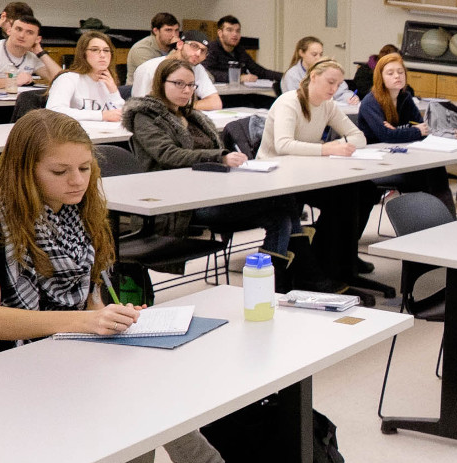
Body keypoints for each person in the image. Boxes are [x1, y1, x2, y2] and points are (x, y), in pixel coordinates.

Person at [0, 109, 303, 463]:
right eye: (60, 172)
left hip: (59, 356)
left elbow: (85, 296)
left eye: (85, 169)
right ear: (23, 170)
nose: (77, 182)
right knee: (135, 406)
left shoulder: (74, 215)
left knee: (142, 388)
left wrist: (110, 315)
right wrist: (84, 321)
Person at [123, 57, 300, 277]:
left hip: (213, 191)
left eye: (191, 85)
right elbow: (168, 155)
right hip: (180, 203)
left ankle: (277, 284)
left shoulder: (194, 117)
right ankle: (301, 276)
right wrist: (220, 157)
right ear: (160, 83)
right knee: (281, 202)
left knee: (282, 213)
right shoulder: (146, 117)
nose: (187, 90)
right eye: (179, 84)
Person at [260, 58, 379, 291]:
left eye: (338, 85)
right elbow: (283, 145)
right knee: (342, 199)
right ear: (313, 77)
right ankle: (314, 269)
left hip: (308, 174)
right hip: (276, 176)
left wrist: (342, 144)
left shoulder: (328, 105)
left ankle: (337, 264)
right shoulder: (289, 102)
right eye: (330, 82)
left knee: (361, 192)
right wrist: (328, 149)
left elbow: (359, 137)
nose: (334, 89)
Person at [357, 51, 453, 211]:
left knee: (436, 169)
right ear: (380, 77)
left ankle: (447, 222)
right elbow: (386, 135)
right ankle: (429, 219)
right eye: (390, 73)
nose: (397, 76)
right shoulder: (370, 102)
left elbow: (423, 129)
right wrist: (410, 131)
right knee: (427, 176)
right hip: (377, 163)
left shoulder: (405, 98)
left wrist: (399, 133)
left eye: (400, 72)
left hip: (403, 156)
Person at [0, 13, 61, 89]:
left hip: (12, 105)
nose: (22, 35)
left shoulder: (32, 57)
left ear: (37, 39)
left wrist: (41, 53)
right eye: (18, 29)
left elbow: (62, 80)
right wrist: (13, 81)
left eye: (29, 33)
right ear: (9, 31)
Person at [131, 31, 223, 111]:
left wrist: (183, 107)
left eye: (203, 51)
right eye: (194, 46)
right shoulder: (148, 69)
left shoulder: (196, 68)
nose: (198, 53)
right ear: (180, 44)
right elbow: (140, 107)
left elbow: (215, 103)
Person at [47, 31, 123, 122]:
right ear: (83, 54)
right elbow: (53, 111)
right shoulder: (68, 79)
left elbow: (122, 116)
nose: (102, 55)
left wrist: (114, 92)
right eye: (95, 50)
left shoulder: (108, 81)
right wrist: (101, 115)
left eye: (106, 50)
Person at [280, 36, 357, 105]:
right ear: (301, 53)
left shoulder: (327, 69)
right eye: (314, 54)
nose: (318, 58)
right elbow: (297, 101)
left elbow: (342, 92)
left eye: (321, 54)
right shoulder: (292, 75)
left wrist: (350, 98)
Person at [207, 15, 281, 83]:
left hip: (237, 92)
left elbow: (260, 72)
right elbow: (207, 73)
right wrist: (238, 78)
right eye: (229, 30)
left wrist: (285, 76)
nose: (235, 34)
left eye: (238, 31)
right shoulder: (211, 49)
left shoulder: (240, 51)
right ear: (220, 33)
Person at [125, 12, 181, 84]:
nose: (174, 35)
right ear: (156, 31)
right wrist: (175, 49)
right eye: (168, 30)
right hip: (138, 91)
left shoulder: (174, 47)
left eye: (176, 30)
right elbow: (156, 74)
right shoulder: (141, 48)